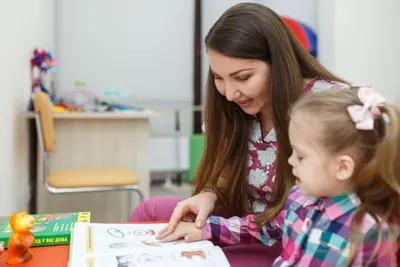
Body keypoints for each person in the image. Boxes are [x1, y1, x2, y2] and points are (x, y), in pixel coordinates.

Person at [131, 2, 347, 266]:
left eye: (243, 77)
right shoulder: (230, 107)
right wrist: (208, 195)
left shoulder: (326, 106)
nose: (231, 94)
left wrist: (213, 230)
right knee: (149, 210)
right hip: (242, 222)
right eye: (218, 78)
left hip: (287, 234)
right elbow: (225, 179)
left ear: (278, 63)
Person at [157, 86, 400, 266]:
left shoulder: (372, 233)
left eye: (301, 156)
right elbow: (260, 227)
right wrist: (205, 229)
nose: (290, 161)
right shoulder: (299, 198)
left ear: (343, 167)